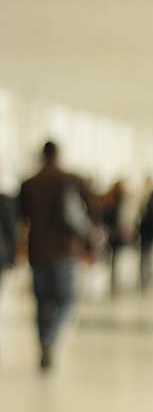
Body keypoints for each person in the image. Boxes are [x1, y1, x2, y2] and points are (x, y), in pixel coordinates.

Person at [17, 140, 98, 371]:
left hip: (38, 249)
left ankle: (44, 341)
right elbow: (92, 209)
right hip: (64, 249)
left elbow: (22, 217)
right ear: (59, 155)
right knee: (66, 299)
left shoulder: (29, 183)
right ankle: (51, 338)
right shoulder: (70, 179)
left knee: (42, 301)